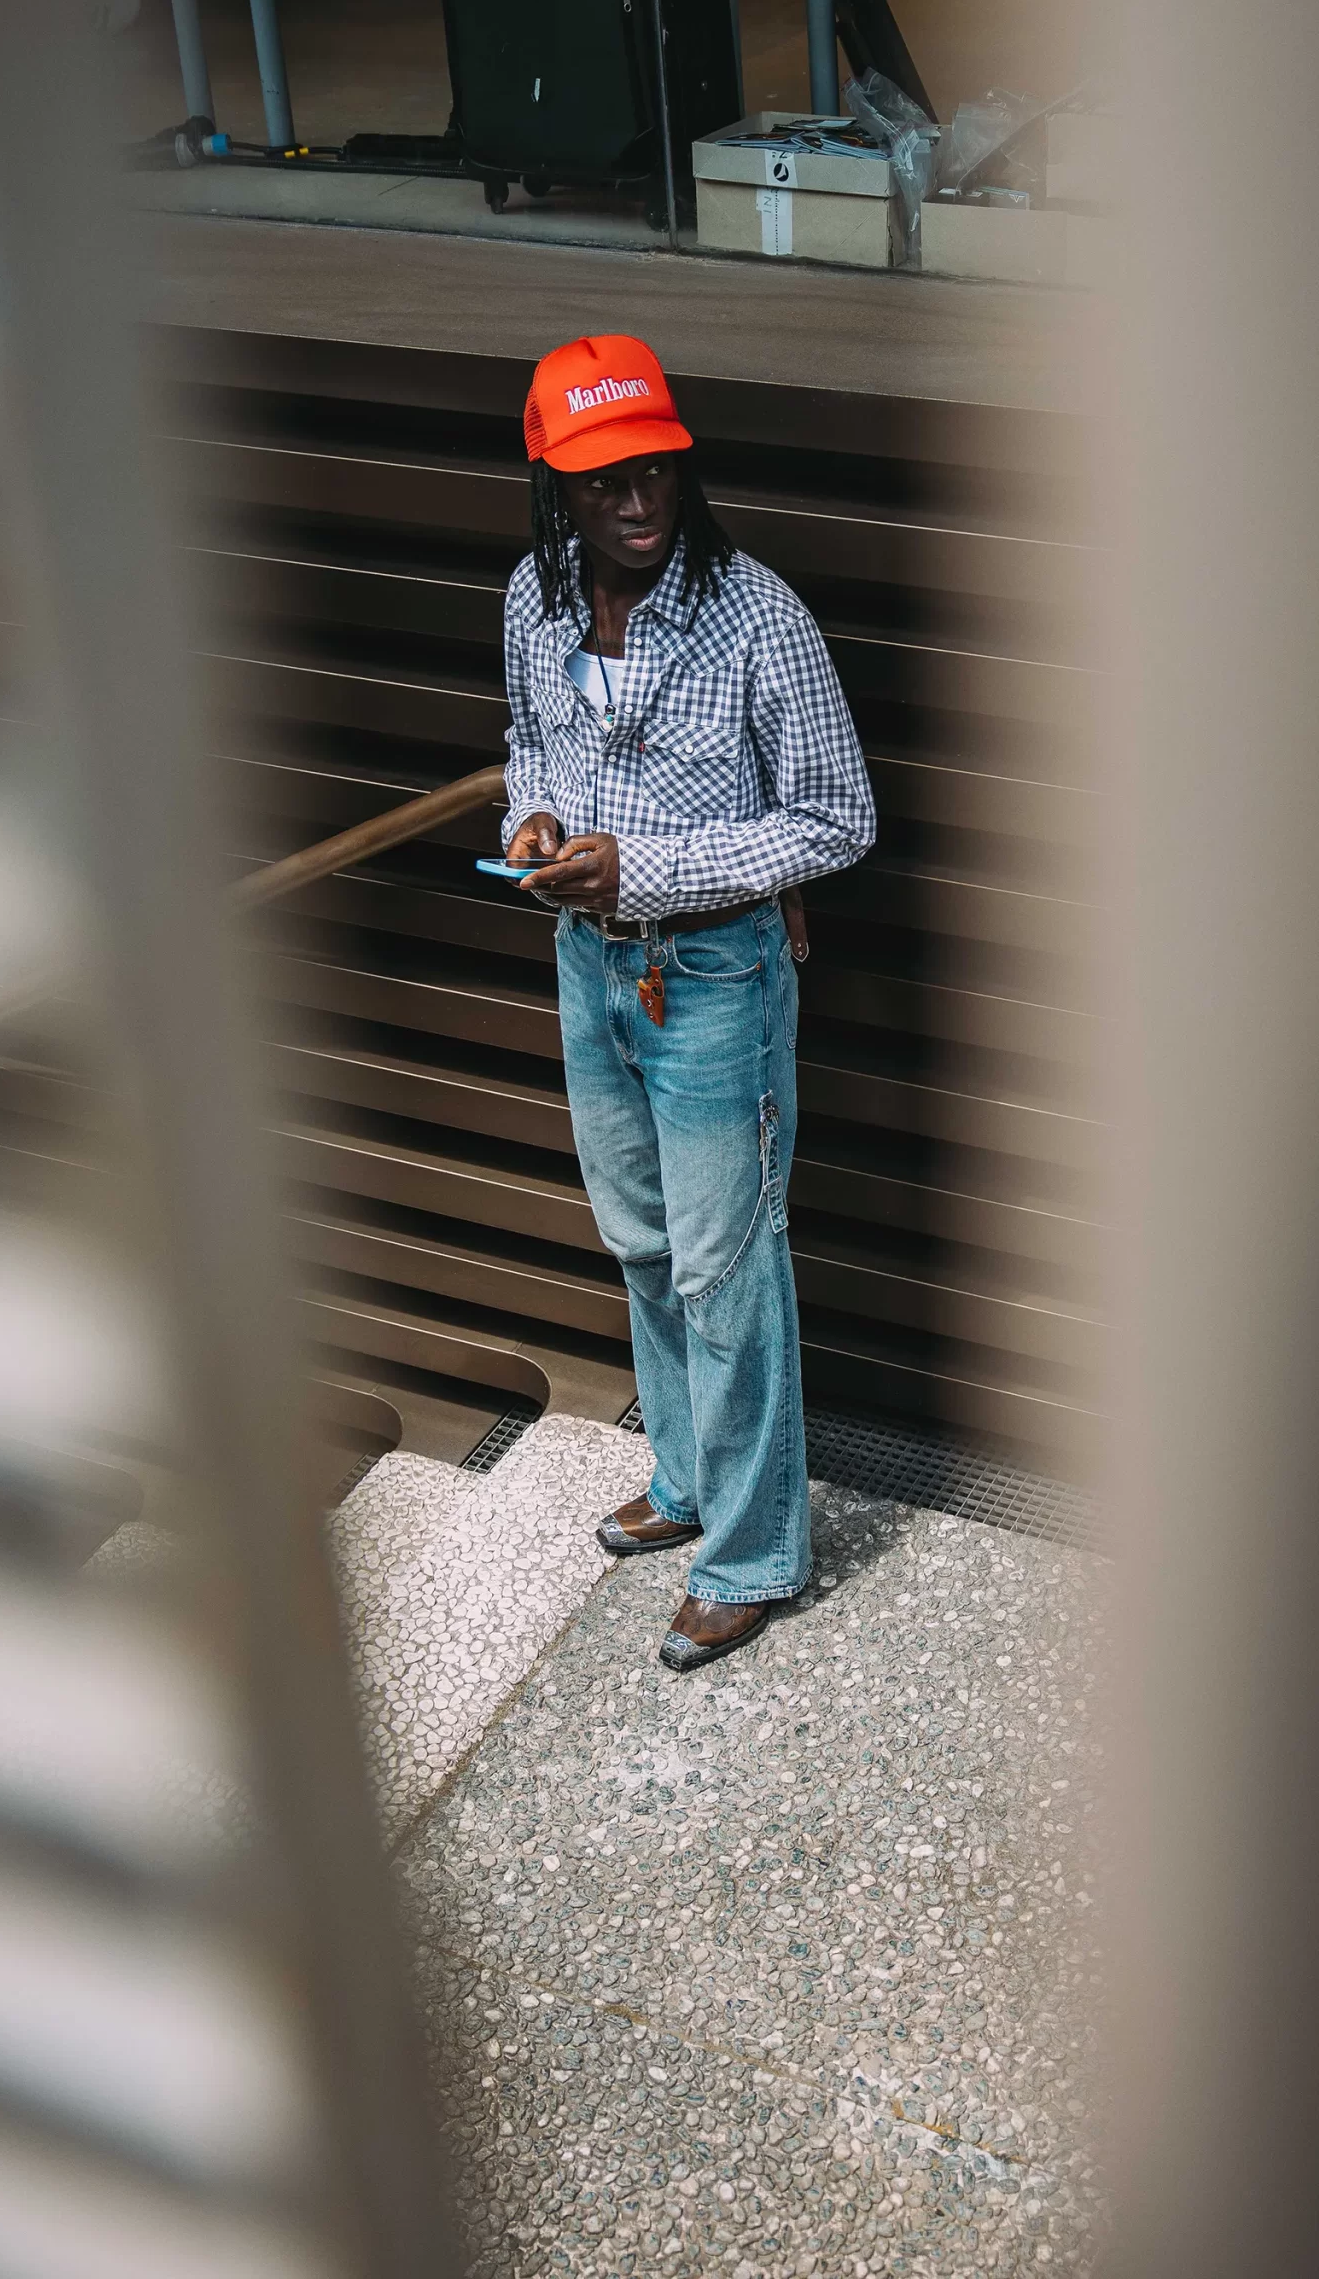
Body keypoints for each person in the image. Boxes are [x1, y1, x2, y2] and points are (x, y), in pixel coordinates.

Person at [500, 334, 874, 1670]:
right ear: (556, 486)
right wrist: (532, 815)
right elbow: (528, 746)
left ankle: (757, 1554)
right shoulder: (533, 602)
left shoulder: (758, 615)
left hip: (712, 973)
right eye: (605, 483)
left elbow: (839, 818)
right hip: (588, 968)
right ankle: (689, 1481)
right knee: (645, 1245)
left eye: (655, 470)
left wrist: (650, 865)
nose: (639, 501)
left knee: (726, 1268)